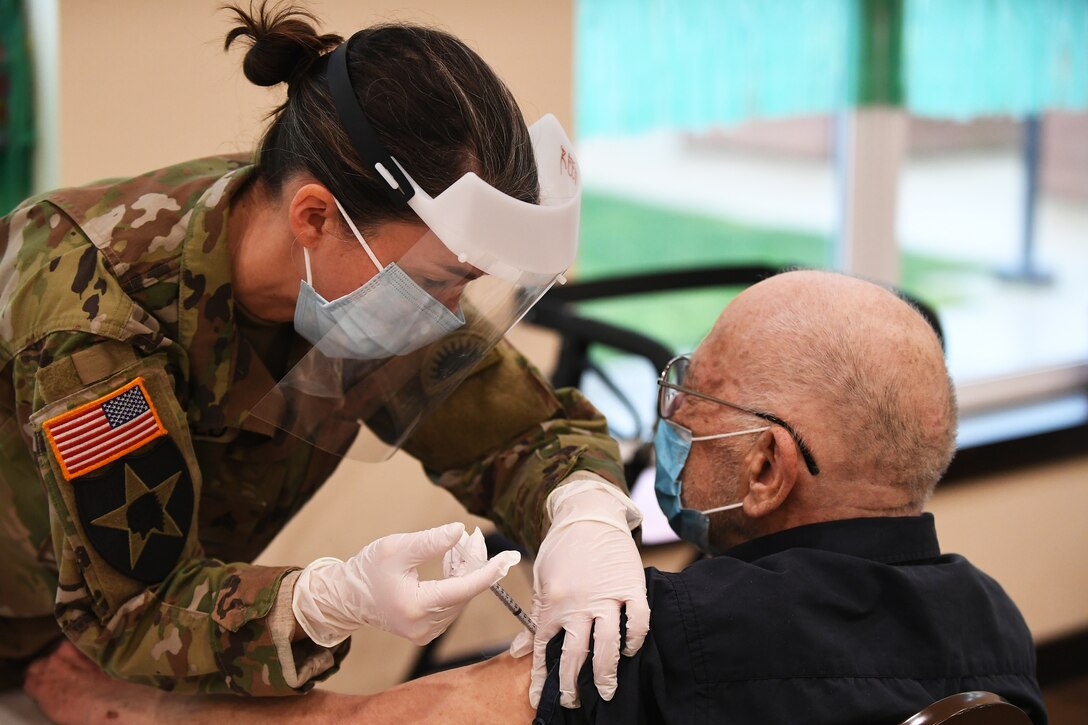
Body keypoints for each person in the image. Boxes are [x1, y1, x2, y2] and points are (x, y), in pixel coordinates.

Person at [22, 270, 1049, 724]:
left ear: (769, 466)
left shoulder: (664, 637)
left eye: (697, 392)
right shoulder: (994, 626)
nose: (673, 408)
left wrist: (129, 703)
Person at [0, 1, 650, 706]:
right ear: (313, 217)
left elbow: (525, 434)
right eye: (437, 283)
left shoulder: (365, 270)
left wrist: (584, 510)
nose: (442, 314)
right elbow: (135, 602)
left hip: (104, 633)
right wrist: (324, 601)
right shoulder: (91, 310)